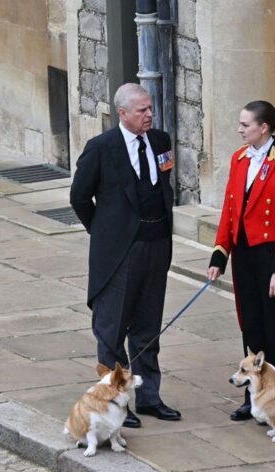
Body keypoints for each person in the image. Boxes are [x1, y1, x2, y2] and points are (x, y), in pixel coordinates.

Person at [70, 82, 180, 428]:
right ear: (123, 113)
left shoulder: (160, 142)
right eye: (141, 110)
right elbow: (79, 197)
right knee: (112, 328)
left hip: (156, 245)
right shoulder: (102, 148)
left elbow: (164, 185)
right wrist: (105, 234)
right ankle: (117, 402)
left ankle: (149, 396)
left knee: (147, 328)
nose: (149, 115)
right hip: (119, 253)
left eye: (150, 109)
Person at [207, 100, 275, 421]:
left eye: (245, 125)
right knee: (251, 326)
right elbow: (230, 210)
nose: (239, 130)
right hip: (245, 256)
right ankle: (255, 397)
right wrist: (219, 253)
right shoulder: (239, 159)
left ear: (264, 128)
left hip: (271, 255)